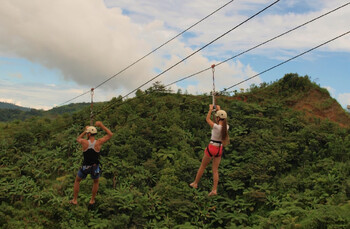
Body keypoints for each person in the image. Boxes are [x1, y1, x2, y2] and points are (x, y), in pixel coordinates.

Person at [70, 121, 113, 206]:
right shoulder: (99, 142)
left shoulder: (84, 142)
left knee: (77, 180)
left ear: (88, 134)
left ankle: (75, 200)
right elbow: (110, 135)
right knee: (96, 182)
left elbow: (78, 138)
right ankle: (92, 200)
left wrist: (85, 130)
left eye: (87, 133)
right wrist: (102, 126)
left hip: (85, 166)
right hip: (95, 167)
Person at [190, 104, 229, 196]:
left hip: (212, 147)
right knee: (215, 170)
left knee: (203, 166)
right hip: (219, 149)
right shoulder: (226, 127)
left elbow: (207, 120)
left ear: (218, 118)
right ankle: (214, 190)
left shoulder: (216, 127)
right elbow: (218, 121)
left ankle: (195, 183)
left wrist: (210, 110)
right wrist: (219, 111)